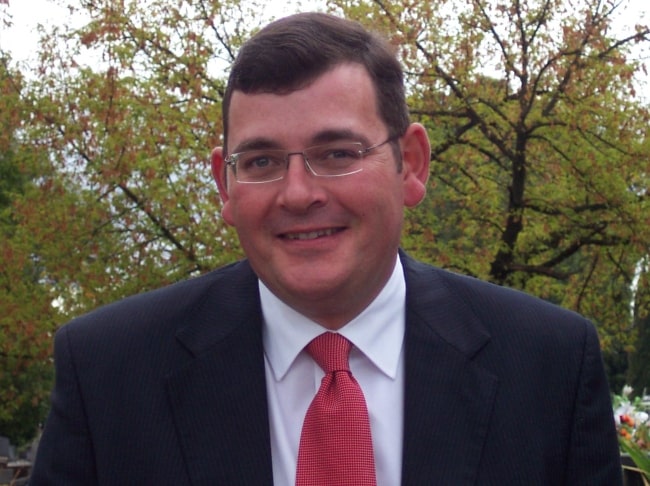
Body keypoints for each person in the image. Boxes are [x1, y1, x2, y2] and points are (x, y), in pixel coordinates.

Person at [30, 12, 622, 486]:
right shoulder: (109, 373)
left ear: (411, 164)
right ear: (224, 186)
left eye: (337, 153)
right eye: (260, 162)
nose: (297, 194)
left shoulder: (548, 368)